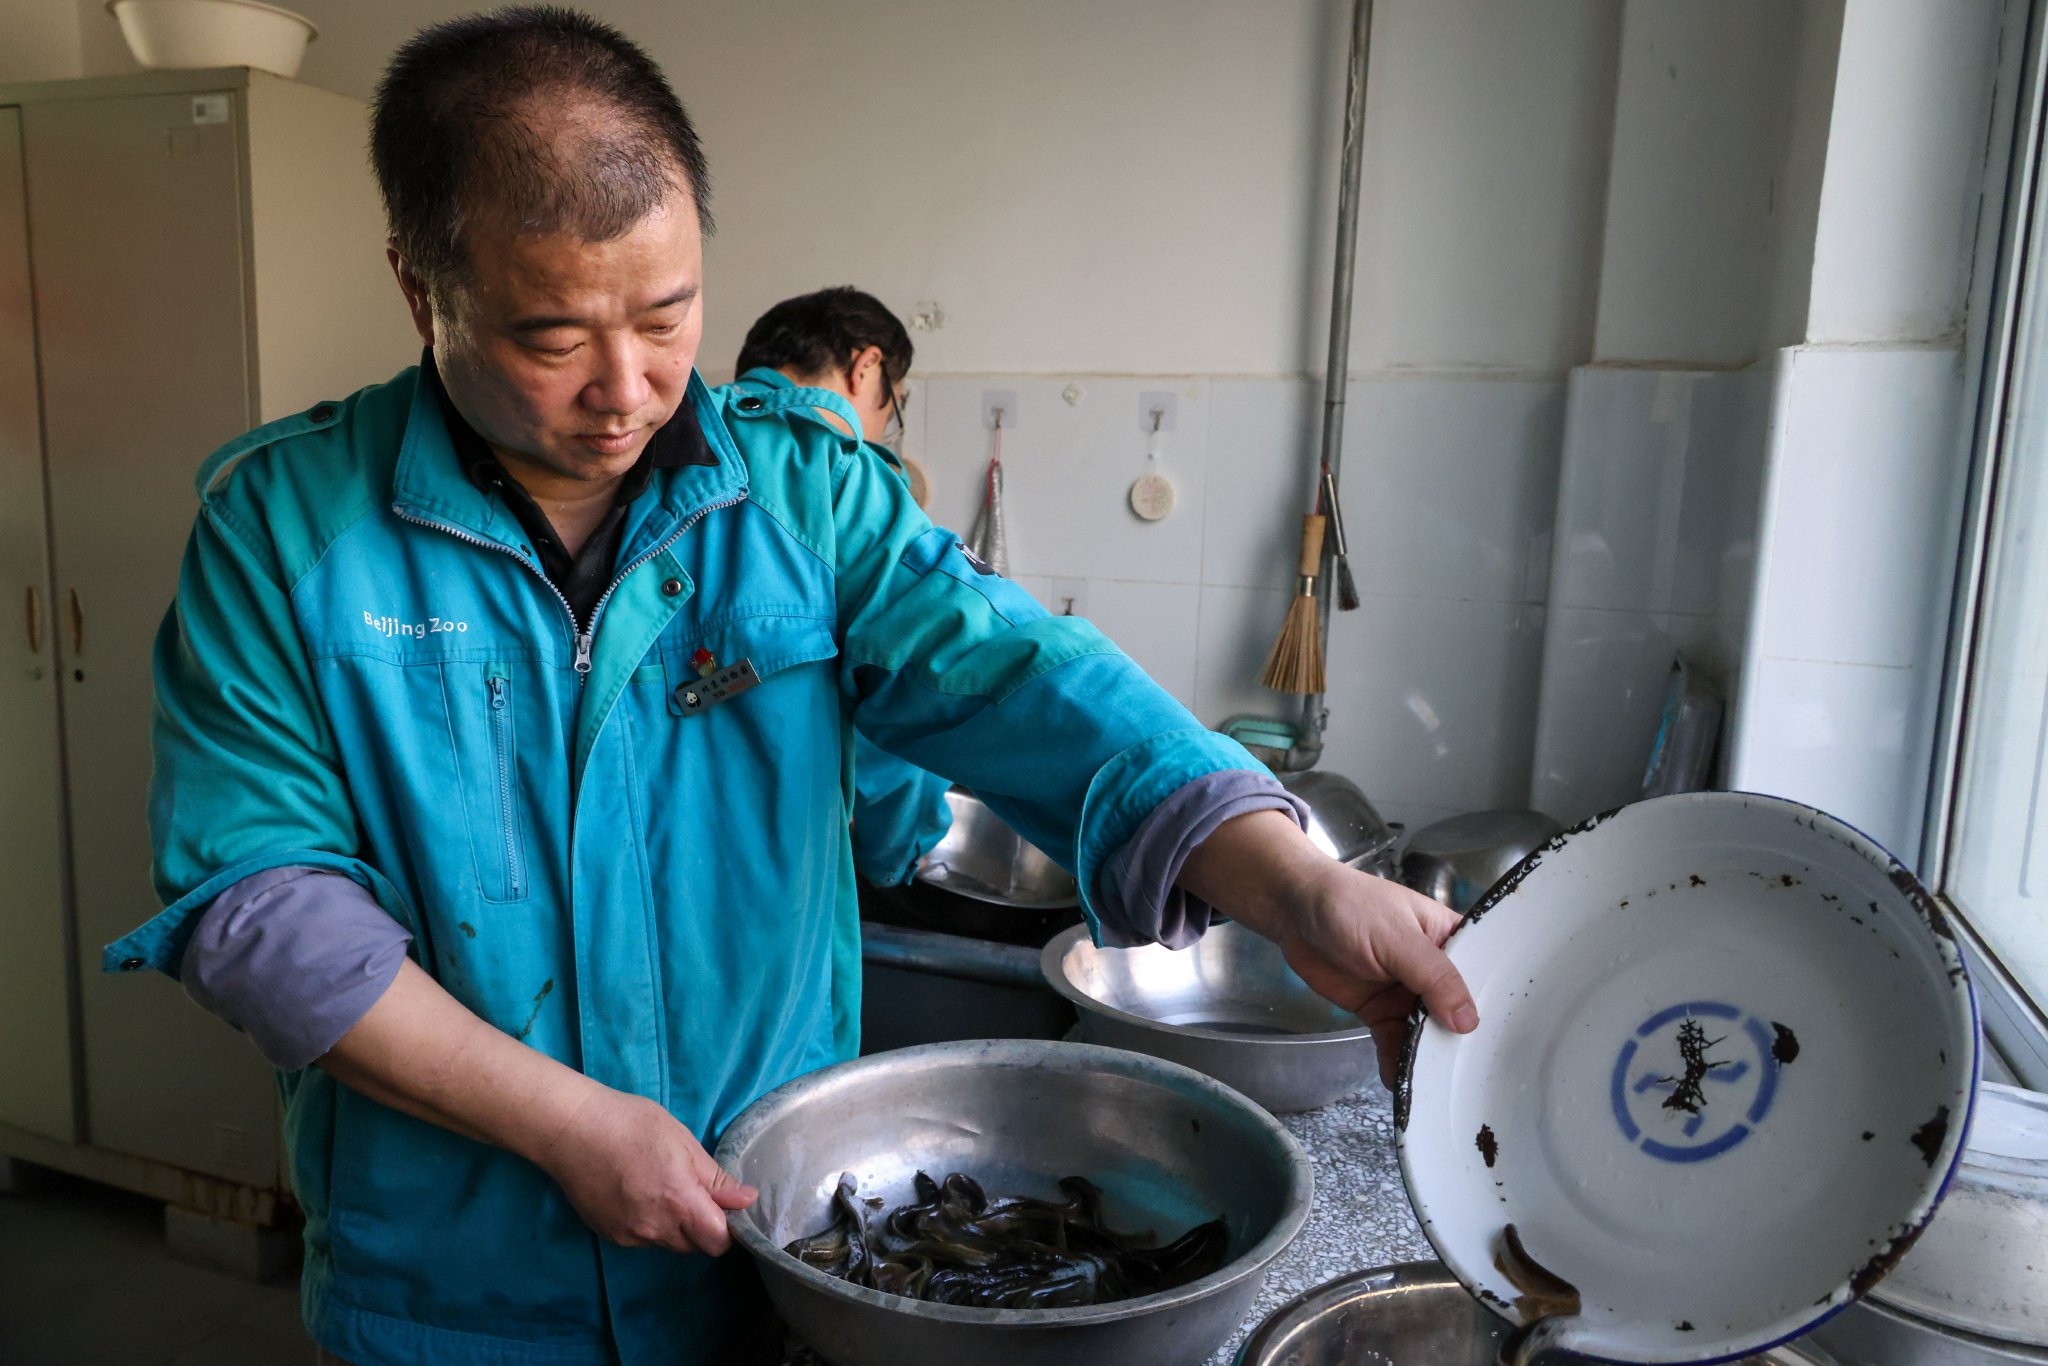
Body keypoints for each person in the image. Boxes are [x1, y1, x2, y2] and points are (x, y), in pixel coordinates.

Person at [104, 10, 1477, 1365]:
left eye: (669, 313)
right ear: (422, 288)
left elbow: (1023, 679)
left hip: (766, 1248)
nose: (629, 388)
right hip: (452, 1290)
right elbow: (259, 907)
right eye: (551, 337)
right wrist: (563, 1123)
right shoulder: (285, 531)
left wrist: (1298, 885)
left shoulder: (805, 499)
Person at [731, 286, 951, 888]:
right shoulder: (845, 477)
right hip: (784, 874)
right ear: (866, 366)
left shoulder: (665, 442)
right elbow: (906, 698)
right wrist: (893, 860)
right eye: (894, 407)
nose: (884, 426)